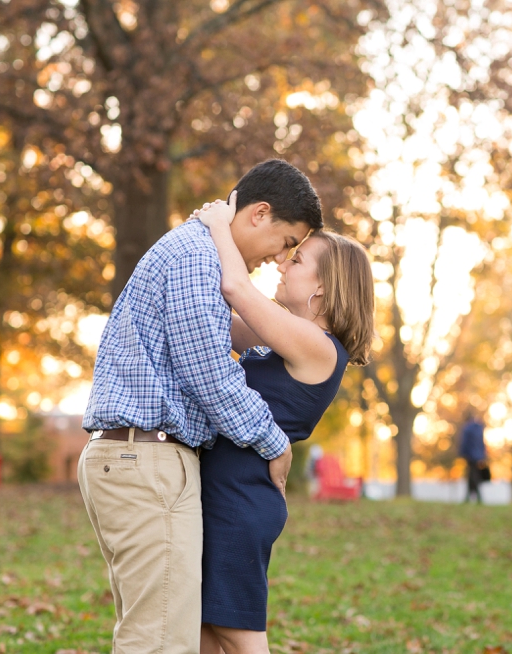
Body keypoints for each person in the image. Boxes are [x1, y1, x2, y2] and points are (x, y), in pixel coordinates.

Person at [78, 159, 322, 654]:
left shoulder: (199, 252)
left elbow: (225, 346)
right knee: (161, 641)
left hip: (138, 459)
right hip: (146, 462)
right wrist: (273, 441)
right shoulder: (195, 257)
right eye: (285, 241)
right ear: (259, 214)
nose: (280, 257)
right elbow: (210, 371)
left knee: (155, 631)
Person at [194, 193, 374, 654]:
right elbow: (218, 319)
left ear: (323, 288)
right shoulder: (284, 337)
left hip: (239, 503)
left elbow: (235, 289)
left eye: (296, 260)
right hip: (223, 494)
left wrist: (219, 225)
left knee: (239, 635)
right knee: (204, 634)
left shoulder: (319, 346)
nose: (281, 264)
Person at [458, 412, 488, 504]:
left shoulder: (467, 429)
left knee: (472, 476)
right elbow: (482, 443)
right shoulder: (479, 428)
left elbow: (465, 443)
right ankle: (470, 498)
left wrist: (462, 454)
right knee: (473, 475)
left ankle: (477, 498)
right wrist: (483, 455)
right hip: (479, 456)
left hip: (470, 455)